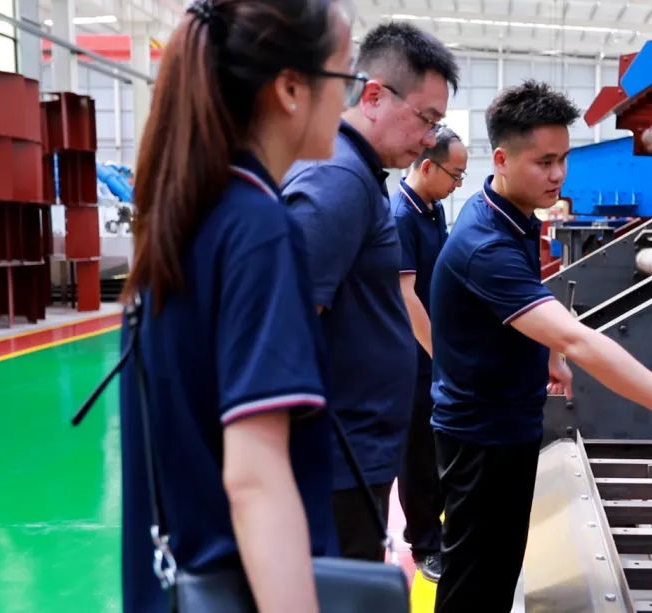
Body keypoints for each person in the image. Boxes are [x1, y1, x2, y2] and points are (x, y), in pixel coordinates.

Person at [429, 80, 652, 612]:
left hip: (505, 422)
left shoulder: (511, 211)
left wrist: (548, 355)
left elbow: (534, 307)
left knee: (498, 570)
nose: (558, 175)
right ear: (502, 159)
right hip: (481, 440)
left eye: (563, 159)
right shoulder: (484, 245)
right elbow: (578, 338)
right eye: (544, 162)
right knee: (474, 584)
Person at [117, 0, 365, 610]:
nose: (349, 100)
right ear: (291, 89)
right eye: (345, 77)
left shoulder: (184, 217)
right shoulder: (258, 230)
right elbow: (256, 479)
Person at [281, 22, 459, 562]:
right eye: (426, 119)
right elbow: (285, 326)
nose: (429, 138)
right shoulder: (339, 181)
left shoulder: (357, 174)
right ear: (375, 96)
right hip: (336, 462)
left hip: (351, 454)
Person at [391, 127, 468, 581]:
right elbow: (406, 296)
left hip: (434, 350)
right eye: (454, 174)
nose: (458, 183)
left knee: (438, 443)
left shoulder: (432, 209)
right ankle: (424, 544)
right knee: (418, 452)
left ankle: (441, 530)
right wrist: (440, 355)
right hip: (413, 354)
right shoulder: (402, 215)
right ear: (426, 166)